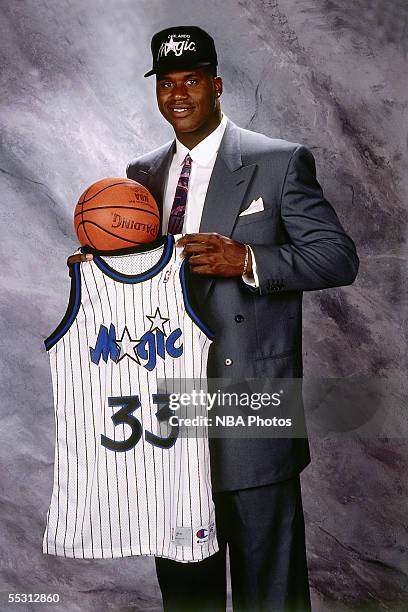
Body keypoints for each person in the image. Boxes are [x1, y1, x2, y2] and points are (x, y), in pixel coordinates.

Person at [69, 26, 359, 612]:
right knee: (187, 595)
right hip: (169, 420)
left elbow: (339, 258)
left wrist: (248, 258)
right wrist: (102, 271)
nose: (178, 94)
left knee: (269, 594)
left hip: (253, 409)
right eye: (167, 82)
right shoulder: (140, 175)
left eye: (192, 80)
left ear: (217, 85)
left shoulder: (278, 162)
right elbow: (146, 278)